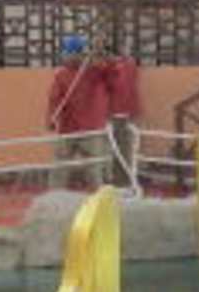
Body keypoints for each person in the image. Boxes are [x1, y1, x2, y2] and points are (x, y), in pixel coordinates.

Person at [46, 33, 109, 191]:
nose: (65, 56)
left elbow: (108, 72)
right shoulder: (61, 75)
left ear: (79, 54)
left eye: (69, 52)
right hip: (68, 127)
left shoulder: (92, 70)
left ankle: (98, 197)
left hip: (90, 128)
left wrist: (100, 51)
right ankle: (55, 196)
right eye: (65, 52)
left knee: (93, 168)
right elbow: (54, 99)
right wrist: (51, 118)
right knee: (60, 166)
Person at [99, 38, 142, 188]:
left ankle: (123, 180)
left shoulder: (127, 65)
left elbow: (117, 82)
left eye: (128, 47)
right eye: (124, 47)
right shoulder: (119, 65)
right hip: (116, 112)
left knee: (124, 148)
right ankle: (117, 179)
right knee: (115, 148)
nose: (125, 50)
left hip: (123, 112)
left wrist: (110, 62)